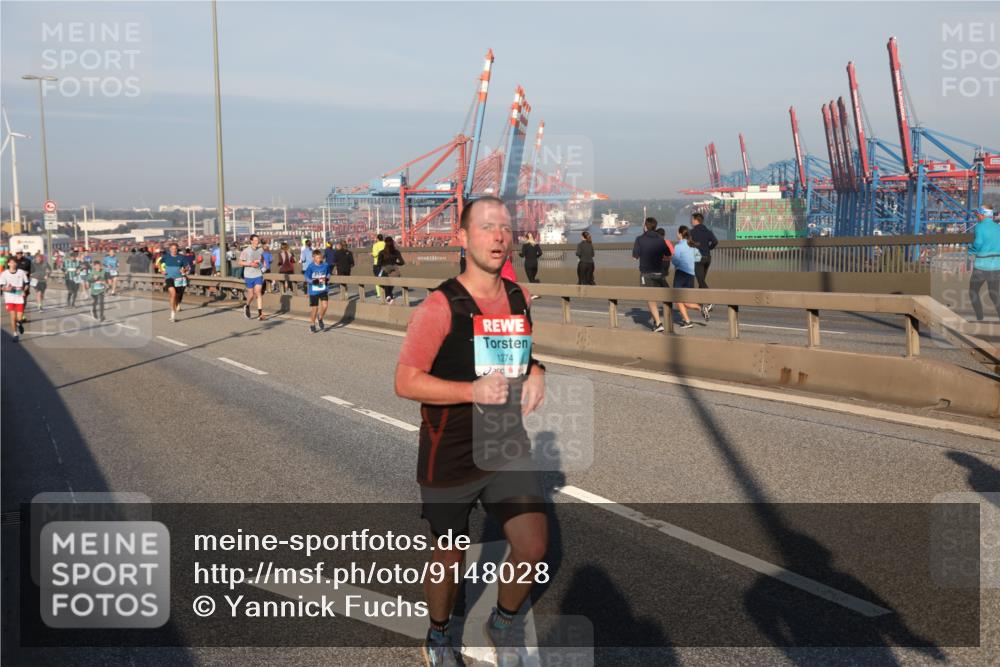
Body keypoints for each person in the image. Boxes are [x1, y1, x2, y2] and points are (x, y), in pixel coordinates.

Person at [395, 196, 547, 667]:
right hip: (451, 450)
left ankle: (501, 623)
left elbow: (519, 358)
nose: (499, 236)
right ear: (463, 238)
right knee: (449, 557)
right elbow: (405, 381)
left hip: (505, 442)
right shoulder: (440, 306)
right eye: (486, 227)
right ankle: (438, 635)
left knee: (533, 543)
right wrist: (471, 392)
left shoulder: (517, 296)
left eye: (505, 227)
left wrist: (538, 369)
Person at [632, 217, 672, 332]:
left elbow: (635, 256)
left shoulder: (639, 239)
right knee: (662, 296)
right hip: (659, 272)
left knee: (650, 298)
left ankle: (659, 323)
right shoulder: (660, 239)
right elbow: (668, 254)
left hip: (646, 273)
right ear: (655, 227)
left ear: (645, 226)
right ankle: (657, 320)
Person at [671, 226, 709, 329]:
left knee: (678, 299)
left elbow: (675, 261)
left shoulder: (678, 246)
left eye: (677, 232)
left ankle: (687, 321)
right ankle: (700, 308)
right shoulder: (692, 246)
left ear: (680, 234)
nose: (676, 234)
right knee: (686, 301)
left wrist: (674, 260)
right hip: (690, 275)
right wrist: (690, 260)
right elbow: (699, 258)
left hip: (680, 274)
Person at [969, 206, 1000, 322]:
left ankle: (980, 318)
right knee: (994, 294)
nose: (976, 215)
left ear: (982, 214)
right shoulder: (998, 227)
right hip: (996, 266)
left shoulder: (980, 227)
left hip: (982, 266)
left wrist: (970, 251)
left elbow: (978, 242)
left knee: (973, 291)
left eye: (977, 214)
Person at [690, 212, 718, 313]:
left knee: (701, 280)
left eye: (692, 219)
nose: (691, 221)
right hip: (707, 258)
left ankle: (710, 301)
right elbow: (715, 242)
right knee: (702, 279)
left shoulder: (692, 232)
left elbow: (688, 244)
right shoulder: (708, 231)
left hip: (698, 259)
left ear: (696, 220)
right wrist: (709, 248)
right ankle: (700, 303)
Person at [159, 242, 190, 323]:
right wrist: (162, 270)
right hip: (169, 278)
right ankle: (172, 315)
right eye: (172, 249)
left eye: (175, 249)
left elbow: (187, 266)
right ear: (170, 249)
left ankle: (177, 304)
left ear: (177, 249)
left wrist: (184, 270)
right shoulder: (166, 257)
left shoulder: (182, 257)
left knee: (177, 295)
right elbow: (159, 263)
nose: (174, 250)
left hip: (179, 279)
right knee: (173, 294)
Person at [0, 257, 29, 341]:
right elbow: (1, 287)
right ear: (8, 264)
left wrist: (24, 290)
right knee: (12, 317)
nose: (13, 264)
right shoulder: (4, 274)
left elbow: (27, 283)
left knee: (19, 318)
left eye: (14, 262)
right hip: (9, 298)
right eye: (11, 262)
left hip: (19, 296)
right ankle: (15, 334)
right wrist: (6, 289)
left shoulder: (21, 272)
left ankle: (19, 324)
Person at [303, 248, 331, 333]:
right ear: (313, 258)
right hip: (313, 290)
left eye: (321, 257)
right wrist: (312, 281)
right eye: (318, 258)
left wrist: (327, 279)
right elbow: (306, 277)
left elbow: (328, 273)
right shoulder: (311, 266)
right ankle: (312, 324)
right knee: (314, 309)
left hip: (323, 289)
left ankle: (320, 318)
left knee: (325, 306)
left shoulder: (325, 265)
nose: (320, 259)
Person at [240, 234, 266, 321]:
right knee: (251, 295)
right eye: (254, 241)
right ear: (251, 241)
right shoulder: (246, 251)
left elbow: (262, 259)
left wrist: (263, 266)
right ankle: (247, 306)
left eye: (257, 240)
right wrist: (250, 264)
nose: (256, 242)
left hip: (258, 274)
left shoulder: (260, 250)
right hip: (248, 275)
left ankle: (260, 314)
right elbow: (240, 262)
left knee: (258, 292)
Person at [377, 236, 406, 304]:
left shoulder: (381, 252)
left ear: (385, 243)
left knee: (385, 284)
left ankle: (388, 296)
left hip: (385, 271)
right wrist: (395, 263)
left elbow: (379, 264)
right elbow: (402, 262)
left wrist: (384, 265)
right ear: (393, 243)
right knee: (391, 284)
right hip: (394, 271)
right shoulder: (396, 252)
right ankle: (389, 296)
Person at [372, 234, 386, 300]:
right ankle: (386, 293)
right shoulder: (386, 244)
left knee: (377, 279)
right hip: (385, 264)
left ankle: (379, 294)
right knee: (385, 278)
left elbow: (375, 254)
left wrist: (372, 254)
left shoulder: (375, 245)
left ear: (377, 239)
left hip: (377, 264)